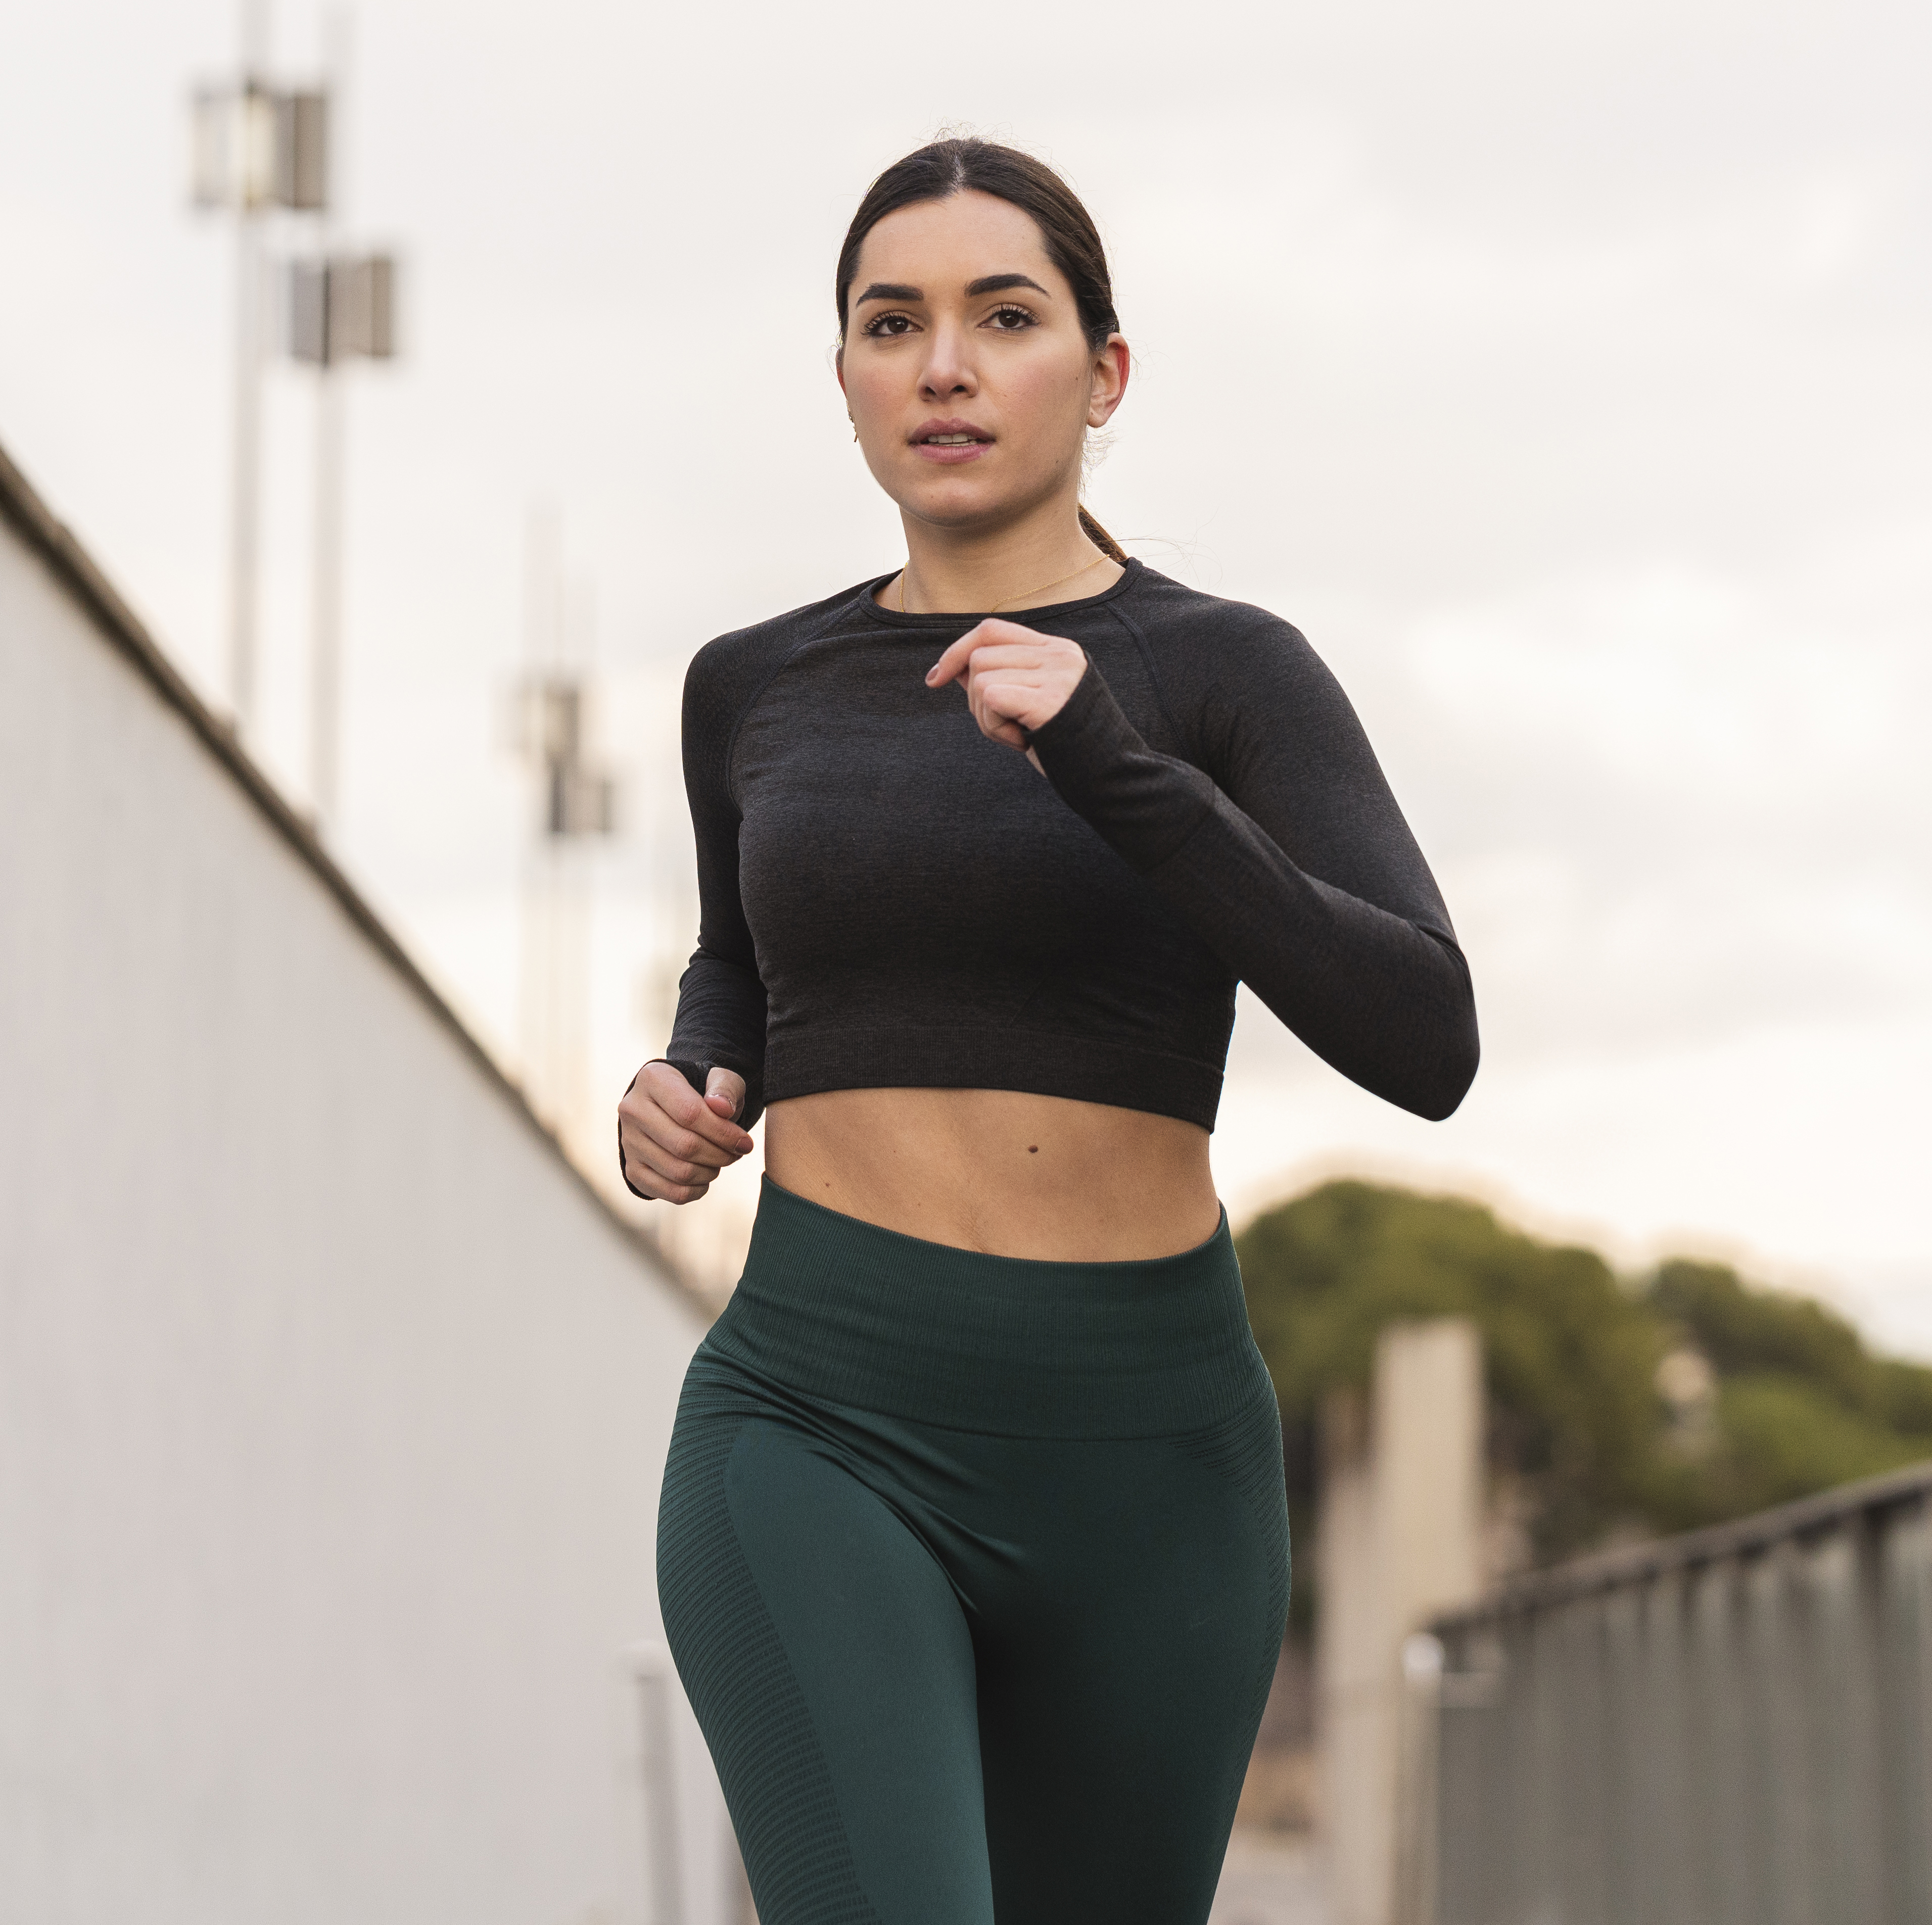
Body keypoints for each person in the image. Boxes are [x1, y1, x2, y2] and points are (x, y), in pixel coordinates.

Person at [617, 136, 1477, 1925]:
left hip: (1148, 1458)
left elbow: (1425, 1031)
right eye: (891, 322)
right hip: (817, 1411)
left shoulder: (1221, 672)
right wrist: (688, 1086)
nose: (944, 364)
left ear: (1102, 373)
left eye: (1003, 317)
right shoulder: (752, 685)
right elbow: (746, 969)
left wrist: (1109, 758)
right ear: (845, 375)